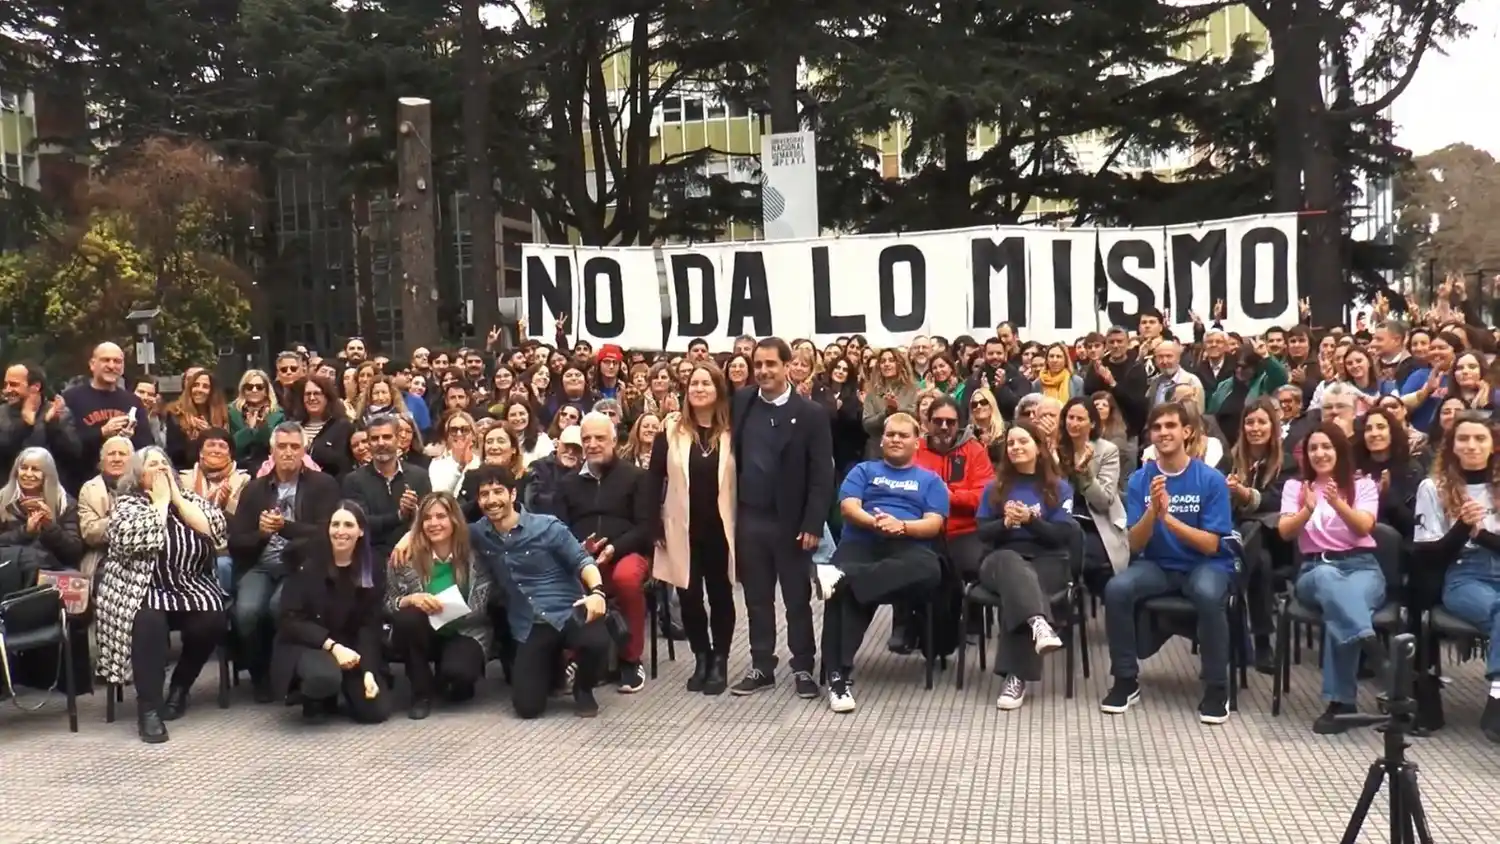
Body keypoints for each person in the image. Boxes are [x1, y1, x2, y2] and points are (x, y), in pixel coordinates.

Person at [1101, 402, 1237, 725]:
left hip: (1206, 564)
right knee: (1117, 588)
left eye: (1170, 426)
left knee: (1207, 594)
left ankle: (1217, 687)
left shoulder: (1211, 479)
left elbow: (1211, 543)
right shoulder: (1139, 480)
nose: (1163, 433)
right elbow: (1134, 543)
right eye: (1157, 427)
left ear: (1187, 432)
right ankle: (1125, 680)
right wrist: (1152, 512)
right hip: (1159, 565)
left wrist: (1169, 519)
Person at [94, 446, 228, 743]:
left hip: (189, 585)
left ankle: (180, 688)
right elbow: (133, 541)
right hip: (141, 588)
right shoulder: (127, 505)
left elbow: (214, 532)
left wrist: (177, 499)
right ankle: (149, 709)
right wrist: (160, 504)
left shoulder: (191, 501)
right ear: (139, 475)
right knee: (148, 626)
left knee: (212, 620)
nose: (160, 470)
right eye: (152, 465)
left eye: (164, 464)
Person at [818, 412, 948, 713]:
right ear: (881, 439)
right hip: (861, 543)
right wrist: (878, 524)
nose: (896, 440)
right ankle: (838, 678)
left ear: (917, 443)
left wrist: (901, 527)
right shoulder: (863, 471)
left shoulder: (930, 481)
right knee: (842, 593)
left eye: (903, 435)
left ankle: (847, 578)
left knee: (930, 568)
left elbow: (933, 524)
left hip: (907, 549)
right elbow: (850, 508)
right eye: (890, 435)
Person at [730, 338, 834, 698]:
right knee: (757, 598)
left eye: (770, 364)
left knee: (796, 599)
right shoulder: (742, 403)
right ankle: (762, 665)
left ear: (788, 366)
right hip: (751, 517)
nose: (763, 371)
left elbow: (822, 474)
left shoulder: (811, 414)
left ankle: (803, 666)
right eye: (757, 364)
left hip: (792, 523)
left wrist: (812, 523)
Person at [468, 464, 612, 718]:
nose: (492, 500)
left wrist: (597, 592)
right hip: (529, 624)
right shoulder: (479, 533)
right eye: (484, 494)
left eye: (498, 491)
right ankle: (555, 668)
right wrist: (407, 538)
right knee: (527, 708)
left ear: (512, 494)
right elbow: (439, 527)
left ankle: (583, 687)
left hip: (569, 610)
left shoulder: (547, 527)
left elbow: (583, 561)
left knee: (597, 642)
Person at [1278, 422, 1388, 734]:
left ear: (1340, 450)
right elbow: (1285, 532)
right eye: (1313, 448)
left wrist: (1338, 503)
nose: (1320, 453)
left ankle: (1342, 704)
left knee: (1343, 603)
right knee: (1329, 580)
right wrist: (1306, 511)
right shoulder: (1295, 488)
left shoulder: (1362, 485)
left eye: (1327, 446)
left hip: (1362, 567)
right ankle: (1379, 658)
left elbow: (1364, 527)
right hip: (1315, 569)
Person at [227, 421, 342, 701]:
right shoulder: (254, 490)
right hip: (260, 565)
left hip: (302, 567)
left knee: (282, 608)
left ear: (304, 451)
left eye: (294, 447)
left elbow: (327, 533)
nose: (288, 453)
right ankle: (259, 674)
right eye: (282, 447)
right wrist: (262, 534)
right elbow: (236, 541)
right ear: (272, 452)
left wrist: (284, 528)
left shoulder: (322, 485)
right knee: (247, 613)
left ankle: (289, 673)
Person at [974, 420, 1076, 709]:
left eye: (1023, 441)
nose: (1016, 447)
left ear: (1039, 448)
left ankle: (1015, 677)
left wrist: (1031, 521)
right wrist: (1006, 523)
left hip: (1048, 559)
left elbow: (1062, 536)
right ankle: (1039, 623)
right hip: (1000, 560)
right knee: (1012, 568)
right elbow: (982, 533)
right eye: (1011, 443)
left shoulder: (1059, 488)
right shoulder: (995, 488)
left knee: (1021, 591)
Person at [648, 363, 736, 695]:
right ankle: (701, 656)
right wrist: (651, 522)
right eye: (694, 383)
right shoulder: (671, 431)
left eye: (706, 383)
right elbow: (654, 478)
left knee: (721, 594)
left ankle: (721, 659)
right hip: (681, 527)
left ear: (717, 390)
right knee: (688, 595)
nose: (699, 389)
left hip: (721, 528)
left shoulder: (731, 432)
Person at [1412, 412, 1500, 742]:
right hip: (1464, 575)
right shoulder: (1433, 488)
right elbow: (1427, 555)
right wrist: (1463, 527)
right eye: (1463, 439)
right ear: (1451, 446)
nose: (1472, 445)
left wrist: (1481, 535)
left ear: (1493, 446)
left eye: (1480, 438)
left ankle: (1497, 693)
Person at [554, 412, 653, 693]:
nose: (593, 444)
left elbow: (646, 527)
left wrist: (614, 548)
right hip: (582, 554)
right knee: (566, 577)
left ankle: (630, 658)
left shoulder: (636, 477)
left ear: (614, 440)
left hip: (626, 551)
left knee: (625, 579)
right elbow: (559, 527)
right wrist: (578, 549)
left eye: (600, 438)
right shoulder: (568, 483)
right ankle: (576, 655)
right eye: (587, 438)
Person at [271, 502, 391, 724]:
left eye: (348, 525)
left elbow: (370, 624)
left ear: (361, 531)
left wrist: (368, 671)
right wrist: (333, 647)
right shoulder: (308, 561)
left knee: (375, 712)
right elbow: (291, 620)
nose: (341, 531)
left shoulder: (371, 566)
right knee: (322, 677)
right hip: (309, 643)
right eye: (335, 524)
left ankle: (343, 688)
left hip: (351, 646)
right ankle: (314, 694)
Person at [386, 492, 491, 719]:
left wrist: (449, 607)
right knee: (408, 618)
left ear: (454, 519)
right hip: (422, 633)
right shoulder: (405, 557)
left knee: (459, 678)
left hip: (463, 630)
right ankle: (420, 693)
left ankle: (451, 678)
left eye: (441, 516)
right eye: (427, 518)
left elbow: (482, 607)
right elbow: (387, 603)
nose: (434, 523)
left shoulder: (475, 556)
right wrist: (408, 600)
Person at [341, 414, 432, 563]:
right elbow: (360, 524)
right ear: (369, 443)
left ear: (398, 439)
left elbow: (428, 519)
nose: (381, 443)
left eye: (387, 437)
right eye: (375, 438)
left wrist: (415, 512)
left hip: (414, 557)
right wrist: (399, 516)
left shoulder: (419, 476)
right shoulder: (353, 481)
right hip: (371, 560)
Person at [61, 343, 155, 489]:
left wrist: (129, 438)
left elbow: (147, 447)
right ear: (92, 364)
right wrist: (102, 432)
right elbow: (65, 447)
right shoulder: (72, 398)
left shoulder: (133, 401)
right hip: (80, 484)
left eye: (117, 361)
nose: (112, 366)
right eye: (106, 360)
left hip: (126, 488)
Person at [179, 427, 250, 593]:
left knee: (222, 565)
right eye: (211, 445)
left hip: (225, 549)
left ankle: (223, 606)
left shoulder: (244, 480)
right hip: (190, 546)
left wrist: (226, 505)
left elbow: (244, 521)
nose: (216, 450)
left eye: (222, 446)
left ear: (231, 454)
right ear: (200, 452)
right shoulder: (183, 479)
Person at [0, 446, 83, 570]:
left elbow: (73, 553)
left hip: (51, 569)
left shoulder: (64, 503)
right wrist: (26, 532)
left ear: (47, 474)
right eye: (23, 468)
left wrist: (51, 527)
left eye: (35, 469)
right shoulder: (2, 499)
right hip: (11, 567)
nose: (28, 474)